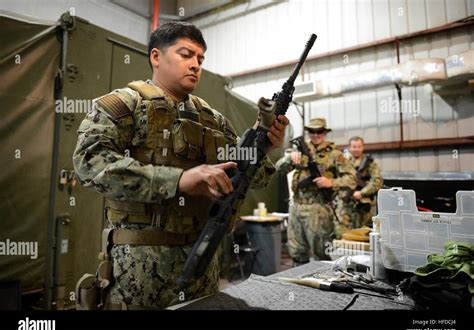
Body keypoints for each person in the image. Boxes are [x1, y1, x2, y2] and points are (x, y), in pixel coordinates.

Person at [72, 21, 288, 309]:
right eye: (186, 55)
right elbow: (89, 162)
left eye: (200, 59)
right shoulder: (125, 105)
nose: (195, 65)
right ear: (156, 57)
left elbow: (252, 177)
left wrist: (264, 147)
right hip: (140, 274)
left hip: (202, 267)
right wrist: (177, 180)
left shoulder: (212, 119)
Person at [276, 118, 356, 264]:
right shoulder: (300, 151)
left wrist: (330, 182)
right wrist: (289, 159)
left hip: (318, 208)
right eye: (312, 131)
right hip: (296, 205)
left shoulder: (335, 154)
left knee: (321, 253)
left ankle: (322, 284)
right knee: (296, 252)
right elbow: (278, 168)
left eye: (319, 131)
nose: (315, 134)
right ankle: (299, 284)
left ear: (325, 132)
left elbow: (352, 179)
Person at [344, 136, 383, 228]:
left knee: (364, 231)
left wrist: (362, 193)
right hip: (348, 204)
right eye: (354, 147)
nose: (356, 149)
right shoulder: (344, 163)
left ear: (363, 147)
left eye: (359, 146)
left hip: (365, 204)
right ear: (349, 148)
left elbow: (377, 181)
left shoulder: (370, 163)